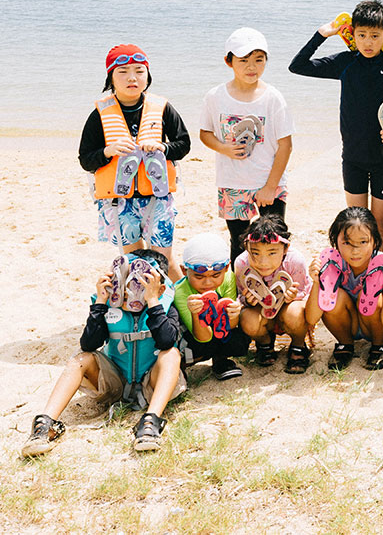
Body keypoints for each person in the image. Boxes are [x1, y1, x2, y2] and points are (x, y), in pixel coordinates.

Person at [288, 0, 383, 254]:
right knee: (356, 224)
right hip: (353, 158)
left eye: (374, 35)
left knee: (380, 225)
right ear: (352, 35)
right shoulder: (345, 62)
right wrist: (322, 34)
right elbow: (297, 66)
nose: (368, 42)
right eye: (361, 35)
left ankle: (382, 272)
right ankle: (358, 271)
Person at [21, 250, 184, 456]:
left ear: (159, 288)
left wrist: (152, 301)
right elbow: (89, 344)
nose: (127, 294)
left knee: (171, 354)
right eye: (121, 285)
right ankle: (45, 424)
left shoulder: (164, 305)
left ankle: (150, 422)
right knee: (81, 359)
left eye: (137, 286)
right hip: (114, 383)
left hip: (150, 383)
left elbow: (167, 341)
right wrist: (100, 302)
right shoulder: (107, 306)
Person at [78, 44, 191, 280]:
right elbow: (86, 160)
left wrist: (163, 148)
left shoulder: (162, 108)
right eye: (123, 72)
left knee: (165, 261)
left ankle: (182, 303)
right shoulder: (100, 114)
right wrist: (108, 151)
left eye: (139, 71)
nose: (132, 78)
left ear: (148, 75)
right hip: (120, 202)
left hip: (158, 197)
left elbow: (184, 144)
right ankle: (144, 303)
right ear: (111, 77)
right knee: (134, 262)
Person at [199, 28, 295, 261]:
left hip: (269, 183)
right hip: (232, 183)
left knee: (274, 241)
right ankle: (241, 284)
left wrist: (270, 187)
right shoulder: (215, 96)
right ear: (228, 61)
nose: (252, 67)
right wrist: (223, 148)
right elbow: (205, 133)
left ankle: (275, 283)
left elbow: (285, 145)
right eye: (243, 60)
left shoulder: (273, 98)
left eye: (259, 60)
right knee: (239, 242)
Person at [307, 207, 383, 371]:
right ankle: (345, 344)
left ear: (375, 241)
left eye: (363, 242)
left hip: (377, 325)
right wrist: (316, 282)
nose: (355, 250)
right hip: (346, 323)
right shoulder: (328, 266)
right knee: (332, 296)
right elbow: (311, 318)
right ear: (335, 241)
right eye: (347, 243)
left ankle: (379, 345)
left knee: (374, 296)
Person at [233, 214, 314, 374]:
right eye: (255, 253)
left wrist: (292, 297)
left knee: (295, 312)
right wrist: (249, 300)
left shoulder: (295, 261)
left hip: (287, 311)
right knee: (248, 319)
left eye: (271, 253)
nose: (263, 262)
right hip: (261, 312)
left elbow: (304, 296)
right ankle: (265, 343)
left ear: (285, 248)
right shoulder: (242, 264)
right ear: (247, 247)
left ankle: (298, 345)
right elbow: (242, 299)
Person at [173, 234, 247, 381]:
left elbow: (230, 327)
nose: (208, 283)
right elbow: (203, 338)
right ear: (184, 271)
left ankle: (221, 358)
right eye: (199, 277)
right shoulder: (180, 292)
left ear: (226, 268)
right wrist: (196, 314)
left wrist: (233, 314)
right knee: (203, 346)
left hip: (219, 330)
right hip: (196, 339)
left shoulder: (228, 277)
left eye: (215, 275)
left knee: (239, 340)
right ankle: (188, 361)